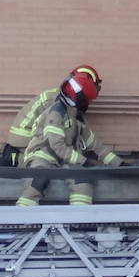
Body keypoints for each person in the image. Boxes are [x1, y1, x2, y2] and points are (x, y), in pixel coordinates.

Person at [14, 67, 126, 206]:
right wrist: (83, 161)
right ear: (79, 98)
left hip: (65, 160)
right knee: (36, 182)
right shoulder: (56, 113)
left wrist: (119, 164)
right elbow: (57, 146)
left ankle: (78, 222)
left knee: (83, 181)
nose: (88, 104)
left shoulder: (76, 117)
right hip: (43, 156)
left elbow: (95, 145)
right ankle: (23, 219)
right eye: (86, 100)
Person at [0, 64, 103, 169]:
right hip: (24, 139)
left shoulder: (59, 96)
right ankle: (15, 158)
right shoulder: (58, 101)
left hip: (23, 136)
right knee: (50, 155)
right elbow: (54, 137)